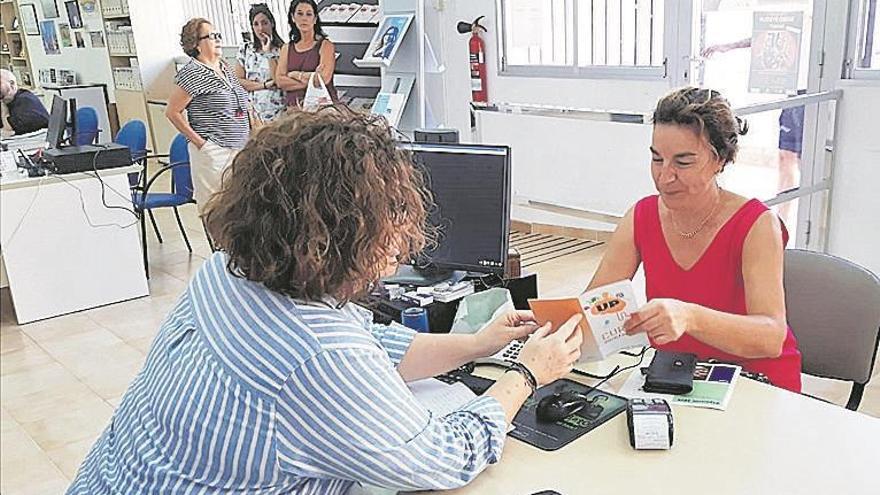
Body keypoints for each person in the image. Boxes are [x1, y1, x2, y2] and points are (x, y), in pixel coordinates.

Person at [66, 108, 583, 494]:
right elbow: (441, 457)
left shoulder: (225, 276)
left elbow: (373, 346)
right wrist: (528, 376)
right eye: (394, 214)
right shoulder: (318, 354)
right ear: (344, 232)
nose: (404, 233)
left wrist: (475, 344)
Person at [587, 87, 802, 392]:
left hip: (756, 382)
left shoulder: (756, 224)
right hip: (678, 377)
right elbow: (594, 305)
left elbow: (770, 337)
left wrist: (689, 316)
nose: (665, 176)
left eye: (683, 162)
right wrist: (549, 323)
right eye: (657, 159)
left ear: (720, 160)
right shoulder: (641, 216)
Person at [702, 37, 804, 226]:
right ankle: (783, 219)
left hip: (812, 89)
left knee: (804, 163)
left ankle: (796, 216)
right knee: (786, 158)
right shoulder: (785, 22)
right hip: (793, 93)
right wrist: (727, 46)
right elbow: (765, 34)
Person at [165, 18, 254, 212]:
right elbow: (172, 112)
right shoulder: (192, 73)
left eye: (218, 35)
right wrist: (202, 144)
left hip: (240, 148)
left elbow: (242, 103)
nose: (218, 39)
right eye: (211, 36)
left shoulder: (224, 67)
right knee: (218, 210)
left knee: (242, 209)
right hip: (215, 150)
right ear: (195, 43)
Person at [275, 0, 338, 108]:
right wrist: (312, 80)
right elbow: (280, 81)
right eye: (300, 14)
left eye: (308, 14)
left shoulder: (326, 45)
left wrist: (296, 75)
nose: (304, 18)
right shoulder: (286, 48)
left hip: (321, 111)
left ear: (315, 19)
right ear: (293, 17)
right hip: (294, 111)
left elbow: (324, 79)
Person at [234, 3, 286, 122]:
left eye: (264, 23)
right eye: (256, 24)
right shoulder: (246, 49)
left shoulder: (283, 49)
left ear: (272, 23)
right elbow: (238, 81)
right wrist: (264, 85)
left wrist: (268, 53)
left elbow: (278, 81)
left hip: (277, 111)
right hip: (253, 111)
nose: (260, 28)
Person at [0, 69, 49, 135]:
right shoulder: (9, 100)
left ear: (11, 84)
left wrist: (3, 106)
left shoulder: (26, 101)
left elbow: (8, 130)